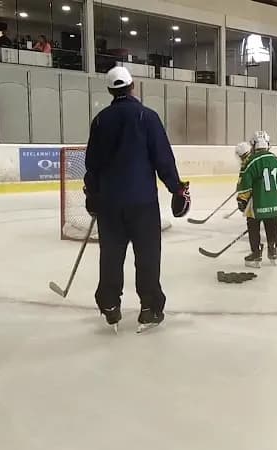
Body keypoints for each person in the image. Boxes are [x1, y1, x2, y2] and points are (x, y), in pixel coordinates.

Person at [83, 66, 190, 332]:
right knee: (147, 257)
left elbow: (92, 165)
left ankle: (109, 305)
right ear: (133, 86)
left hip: (109, 204)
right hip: (142, 204)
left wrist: (93, 195)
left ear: (110, 91)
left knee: (110, 255)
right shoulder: (147, 116)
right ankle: (150, 308)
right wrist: (176, 189)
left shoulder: (100, 120)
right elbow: (163, 159)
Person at [236, 131, 277, 268]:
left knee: (253, 226)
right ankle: (272, 250)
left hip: (257, 203)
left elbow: (245, 187)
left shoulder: (251, 162)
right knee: (272, 226)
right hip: (272, 203)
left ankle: (256, 254)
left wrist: (242, 200)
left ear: (253, 145)